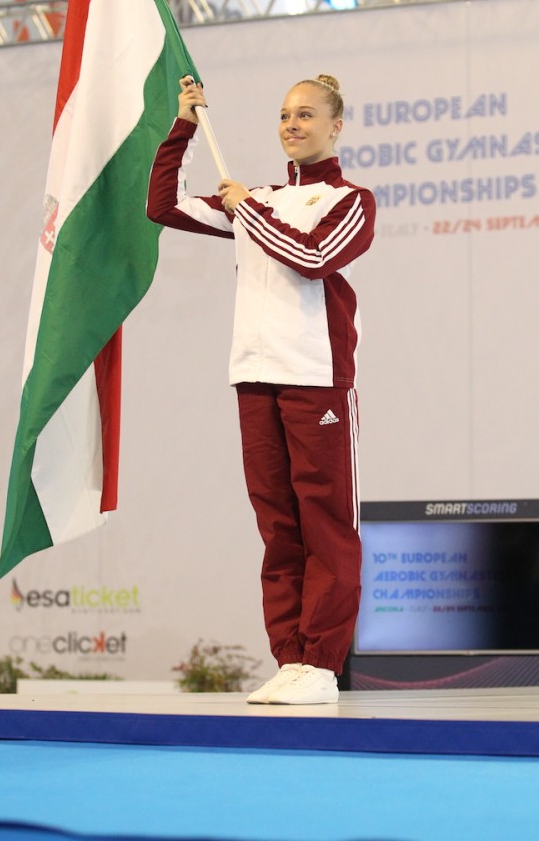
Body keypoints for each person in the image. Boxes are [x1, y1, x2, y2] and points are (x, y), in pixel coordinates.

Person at [147, 73, 376, 704]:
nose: (291, 125)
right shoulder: (261, 198)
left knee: (326, 524)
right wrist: (184, 125)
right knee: (278, 525)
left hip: (316, 379)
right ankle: (290, 657)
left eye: (306, 114)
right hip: (254, 376)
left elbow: (313, 258)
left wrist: (247, 208)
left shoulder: (349, 200)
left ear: (335, 126)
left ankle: (322, 664)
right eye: (283, 115)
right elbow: (162, 205)